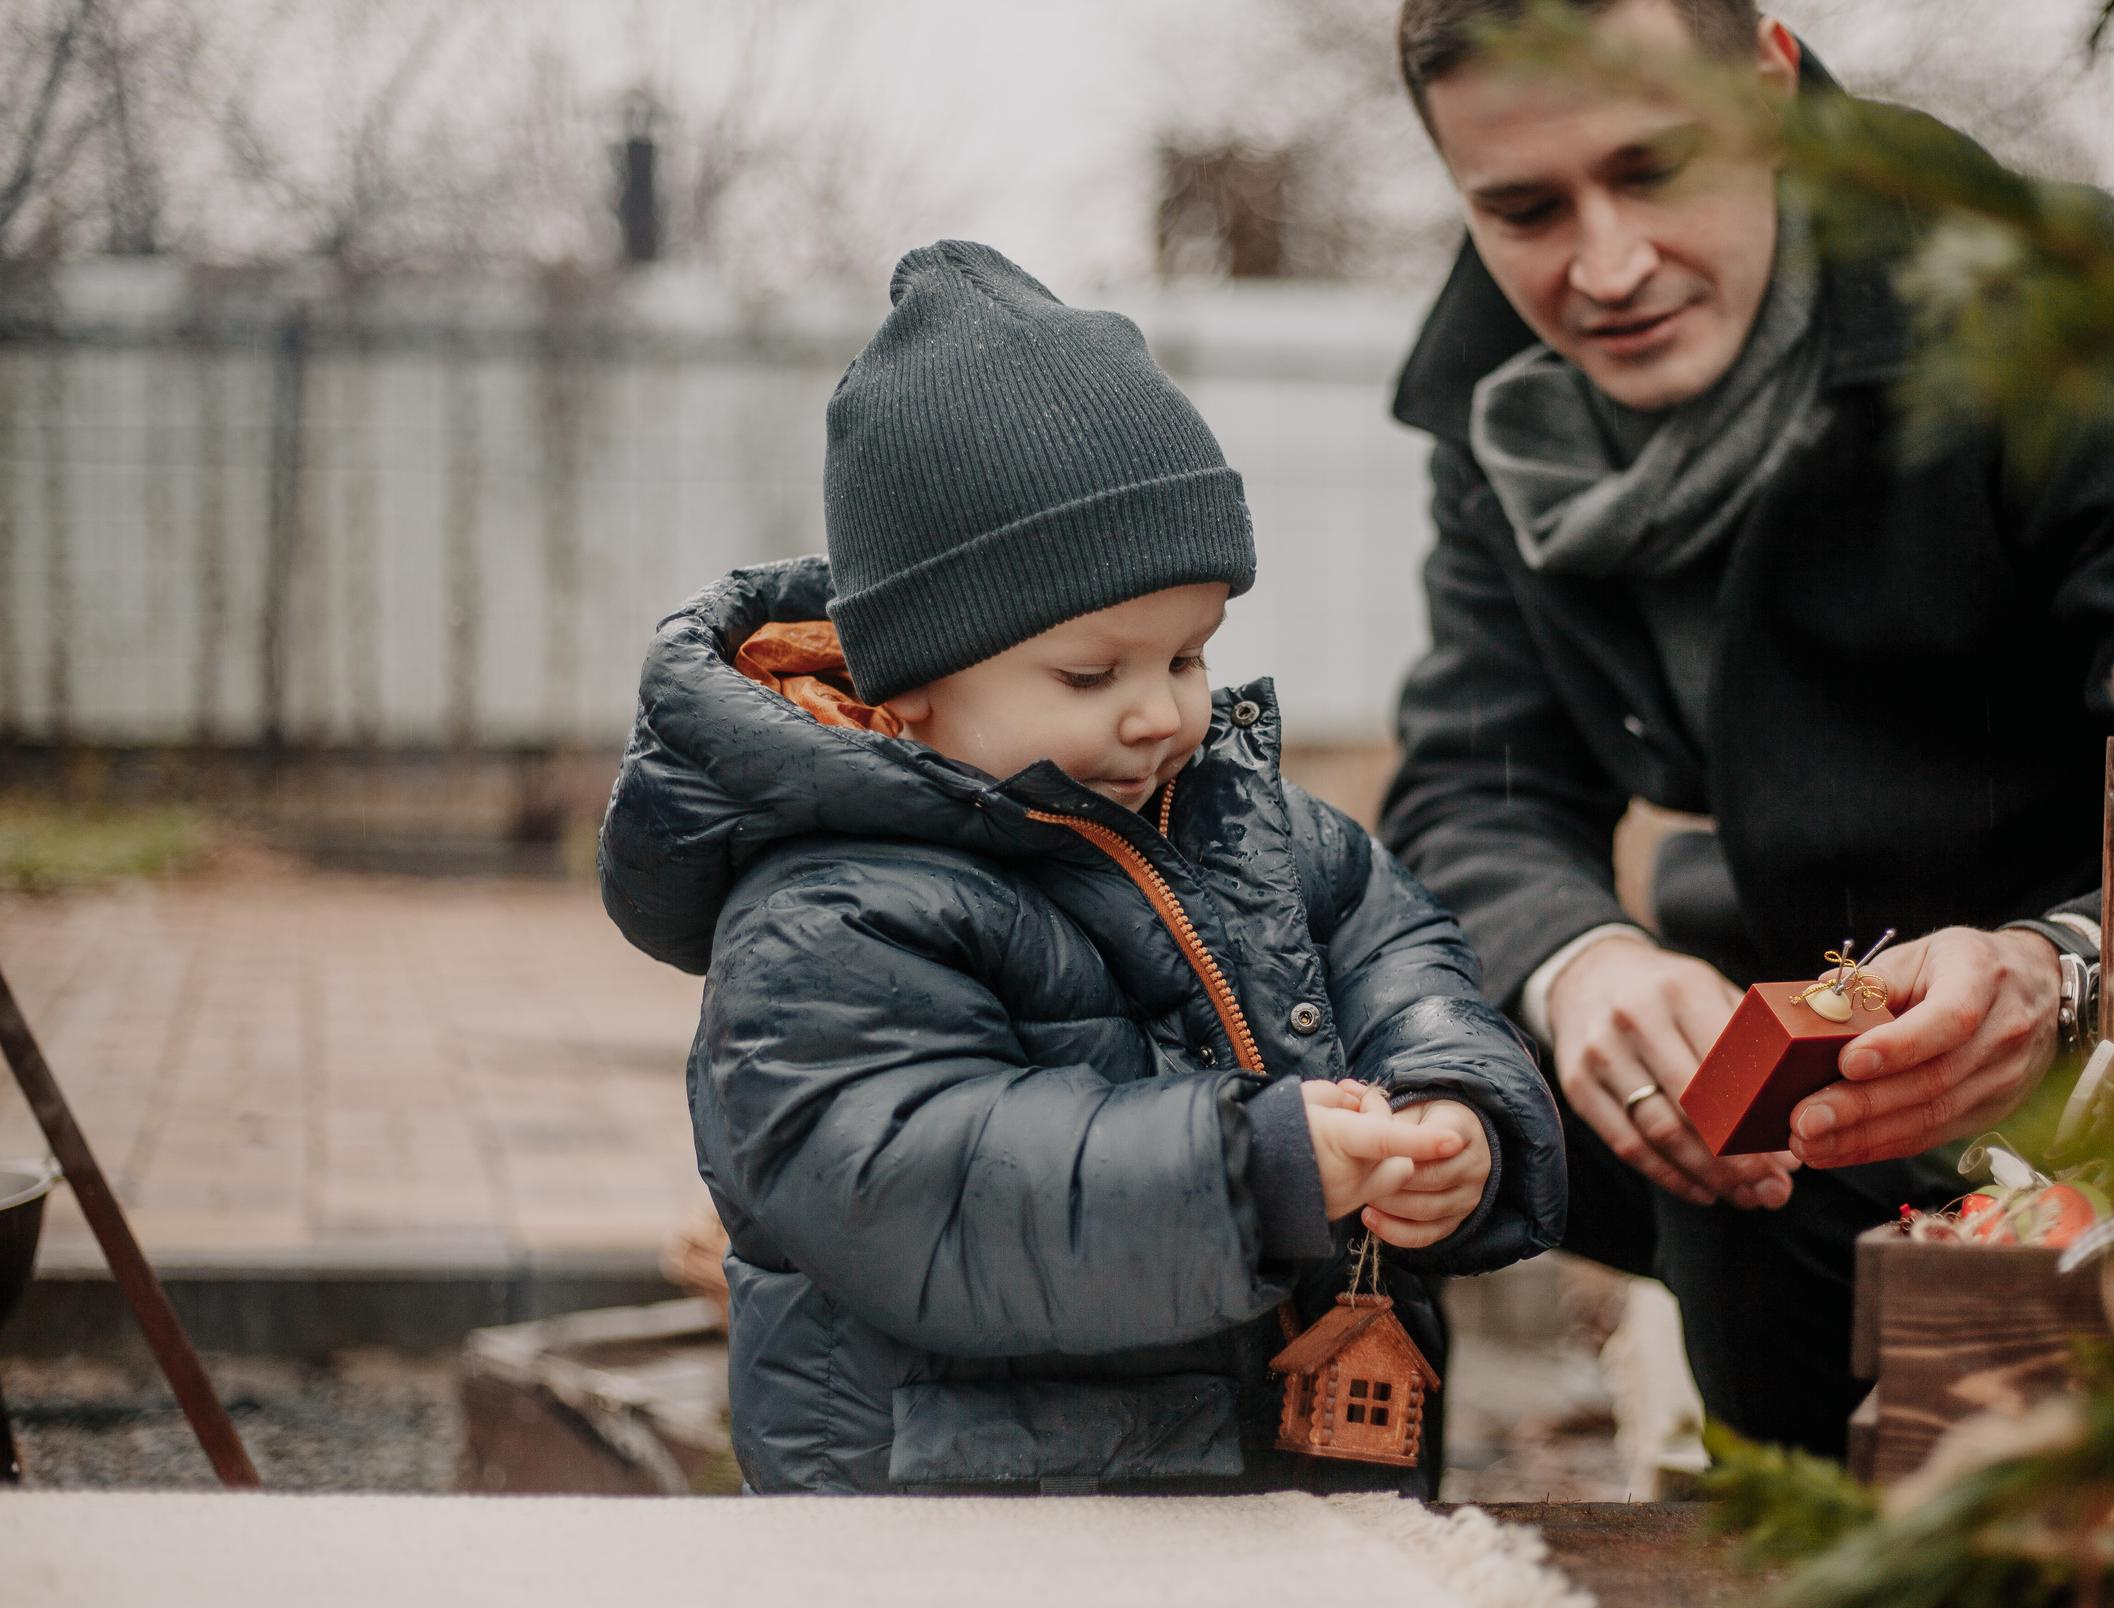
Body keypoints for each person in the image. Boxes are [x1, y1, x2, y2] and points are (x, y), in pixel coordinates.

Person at [1378, 0, 2114, 1458]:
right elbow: (1470, 791)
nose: (1604, 266)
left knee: (1749, 1191)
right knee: (1362, 1056)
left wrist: (2060, 972)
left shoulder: (2063, 307)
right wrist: (1578, 960)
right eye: (1525, 208)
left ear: (1773, 77)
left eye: (1658, 167)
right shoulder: (1499, 404)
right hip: (1773, 1028)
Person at [598, 240, 1563, 1495]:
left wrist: (1458, 1106)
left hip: (1266, 1489)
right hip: (973, 1524)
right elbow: (918, 1186)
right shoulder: (827, 911)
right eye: (1091, 675)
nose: (1161, 715)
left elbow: (1401, 954)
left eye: (1187, 656)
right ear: (916, 687)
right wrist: (1246, 1168)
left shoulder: (1245, 824)